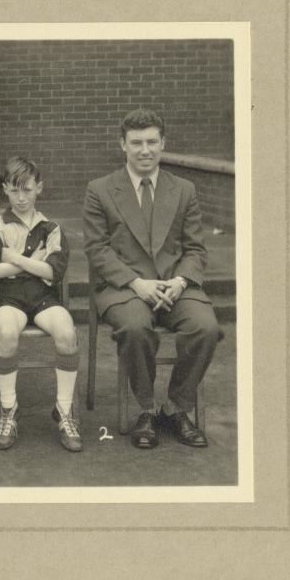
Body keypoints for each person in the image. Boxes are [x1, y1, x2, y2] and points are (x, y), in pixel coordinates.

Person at [83, 108, 220, 449]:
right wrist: (136, 283)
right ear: (122, 145)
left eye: (152, 142)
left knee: (206, 327)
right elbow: (97, 249)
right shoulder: (100, 190)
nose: (145, 150)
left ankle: (175, 408)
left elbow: (196, 249)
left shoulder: (184, 189)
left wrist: (180, 282)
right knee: (134, 328)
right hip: (124, 289)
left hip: (175, 286)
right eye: (136, 143)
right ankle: (145, 409)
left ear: (163, 144)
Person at [0, 157, 81, 452]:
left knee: (66, 331)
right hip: (8, 296)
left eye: (28, 190)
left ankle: (63, 410)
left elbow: (53, 272)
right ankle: (9, 410)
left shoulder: (51, 227)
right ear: (4, 191)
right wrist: (35, 261)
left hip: (44, 296)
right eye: (14, 191)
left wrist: (15, 259)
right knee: (7, 332)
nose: (21, 198)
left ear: (39, 189)